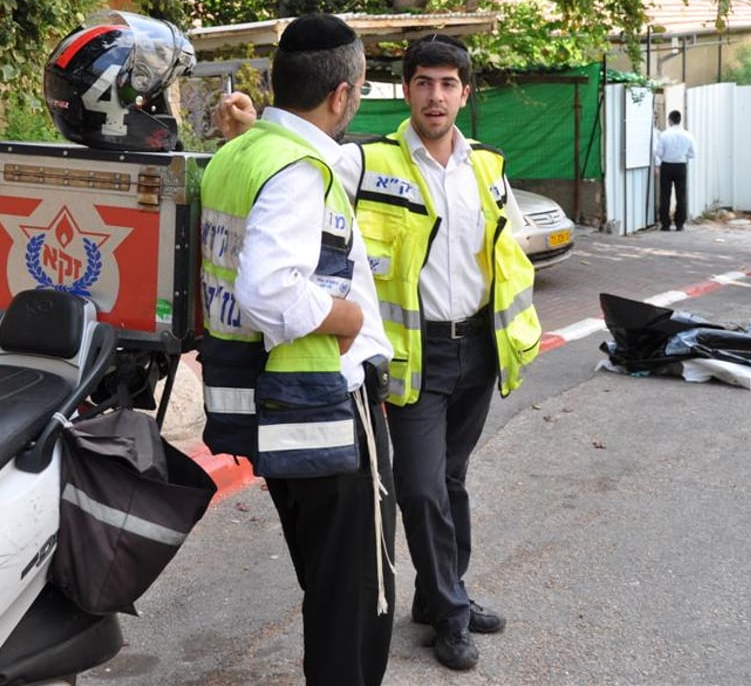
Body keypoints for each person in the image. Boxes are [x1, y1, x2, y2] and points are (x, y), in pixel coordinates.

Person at [214, 34, 542, 672]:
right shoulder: (364, 161)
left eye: (449, 84)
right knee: (417, 493)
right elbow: (288, 181)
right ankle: (449, 613)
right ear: (400, 90)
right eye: (424, 82)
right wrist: (256, 130)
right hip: (407, 360)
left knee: (449, 481)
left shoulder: (488, 169)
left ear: (465, 93)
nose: (436, 95)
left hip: (476, 347)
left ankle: (443, 593)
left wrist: (513, 340)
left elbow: (506, 259)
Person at [198, 14, 396, 685]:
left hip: (274, 403)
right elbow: (268, 291)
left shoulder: (241, 153)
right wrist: (345, 315)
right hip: (326, 403)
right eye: (361, 88)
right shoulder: (296, 170)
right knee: (354, 596)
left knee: (327, 580)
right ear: (341, 95)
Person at [653, 109, 696, 231]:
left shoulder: (664, 134)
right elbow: (693, 154)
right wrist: (682, 154)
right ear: (680, 120)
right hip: (681, 166)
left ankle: (665, 224)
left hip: (667, 165)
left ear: (670, 120)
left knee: (665, 195)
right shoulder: (688, 135)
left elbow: (659, 152)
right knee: (681, 195)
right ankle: (679, 223)